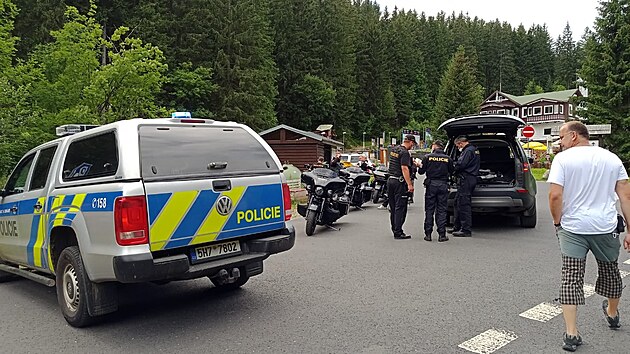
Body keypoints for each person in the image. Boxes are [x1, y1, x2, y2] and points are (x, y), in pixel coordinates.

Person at [548, 121, 630, 352]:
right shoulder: (611, 158)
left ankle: (571, 333)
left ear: (573, 136)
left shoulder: (563, 160)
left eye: (562, 138)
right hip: (605, 227)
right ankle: (612, 313)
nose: (560, 143)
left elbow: (555, 195)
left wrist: (557, 221)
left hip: (573, 228)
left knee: (571, 276)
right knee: (610, 271)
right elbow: (626, 196)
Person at [417, 140, 454, 242]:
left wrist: (418, 165)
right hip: (443, 185)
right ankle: (442, 235)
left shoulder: (427, 157)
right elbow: (452, 171)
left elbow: (421, 172)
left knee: (429, 210)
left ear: (435, 146)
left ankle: (428, 234)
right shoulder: (448, 159)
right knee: (441, 210)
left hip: (431, 185)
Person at [449, 135, 480, 237]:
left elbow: (461, 164)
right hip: (469, 179)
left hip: (466, 179)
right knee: (457, 202)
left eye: (457, 146)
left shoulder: (468, 151)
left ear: (461, 143)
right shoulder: (474, 150)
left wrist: (452, 167)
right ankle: (457, 226)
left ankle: (466, 229)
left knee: (464, 204)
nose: (458, 148)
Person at [387, 134, 416, 239]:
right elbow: (404, 168)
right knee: (400, 208)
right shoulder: (404, 152)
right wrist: (409, 184)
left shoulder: (394, 150)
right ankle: (398, 232)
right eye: (413, 144)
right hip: (399, 182)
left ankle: (394, 229)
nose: (412, 147)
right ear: (411, 142)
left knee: (393, 207)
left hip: (390, 180)